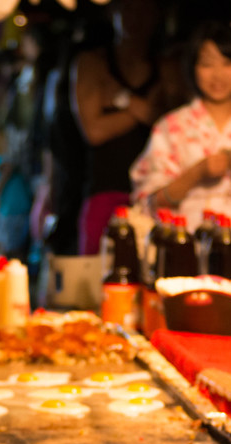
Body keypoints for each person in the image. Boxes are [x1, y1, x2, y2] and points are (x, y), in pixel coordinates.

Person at [130, 21, 231, 342]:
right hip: (184, 254)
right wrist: (195, 174)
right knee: (184, 344)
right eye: (206, 63)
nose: (217, 74)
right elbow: (146, 202)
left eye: (227, 62)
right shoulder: (171, 127)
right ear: (192, 68)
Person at [71, 0, 169, 256]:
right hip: (105, 189)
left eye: (143, 8)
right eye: (127, 8)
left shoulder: (168, 67)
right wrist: (144, 109)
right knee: (98, 280)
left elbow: (169, 124)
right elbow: (94, 131)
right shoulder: (92, 63)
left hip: (155, 194)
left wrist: (122, 100)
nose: (135, 18)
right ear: (112, 11)